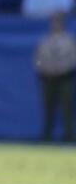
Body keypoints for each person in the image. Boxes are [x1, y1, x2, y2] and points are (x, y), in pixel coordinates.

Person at [35, 13, 76, 142]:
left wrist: (61, 68)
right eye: (54, 22)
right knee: (48, 108)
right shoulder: (45, 40)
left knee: (67, 108)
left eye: (58, 22)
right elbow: (38, 59)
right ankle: (47, 135)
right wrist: (45, 69)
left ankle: (69, 135)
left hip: (64, 77)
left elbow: (73, 59)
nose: (55, 25)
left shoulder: (69, 40)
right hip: (48, 78)